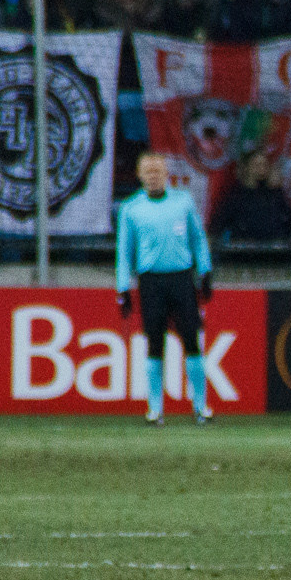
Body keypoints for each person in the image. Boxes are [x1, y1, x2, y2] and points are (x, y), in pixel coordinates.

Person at [115, 153, 215, 425]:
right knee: (154, 343)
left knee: (191, 341)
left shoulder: (182, 202)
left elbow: (198, 238)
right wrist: (122, 288)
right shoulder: (131, 208)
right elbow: (124, 252)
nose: (153, 175)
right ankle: (155, 409)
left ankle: (201, 406)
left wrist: (205, 271)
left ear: (166, 172)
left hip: (181, 279)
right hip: (151, 282)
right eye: (148, 171)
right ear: (139, 174)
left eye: (157, 170)